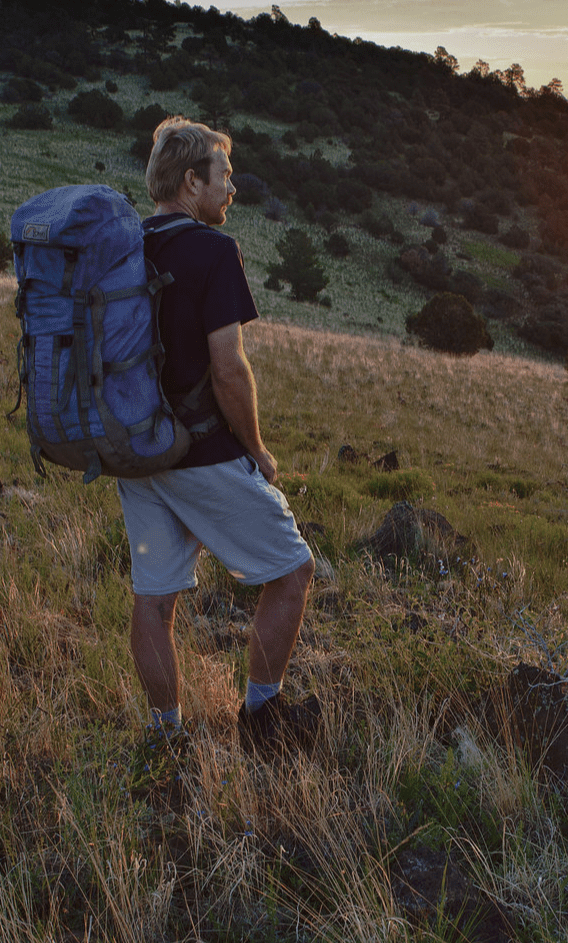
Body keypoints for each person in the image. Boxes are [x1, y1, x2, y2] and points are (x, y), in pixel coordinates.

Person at [120, 116, 319, 757]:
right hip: (201, 449)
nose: (231, 188)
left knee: (154, 598)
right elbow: (229, 368)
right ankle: (264, 718)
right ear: (190, 181)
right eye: (224, 175)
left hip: (137, 450)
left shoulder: (126, 245)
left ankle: (165, 737)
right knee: (291, 569)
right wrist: (256, 448)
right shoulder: (211, 250)